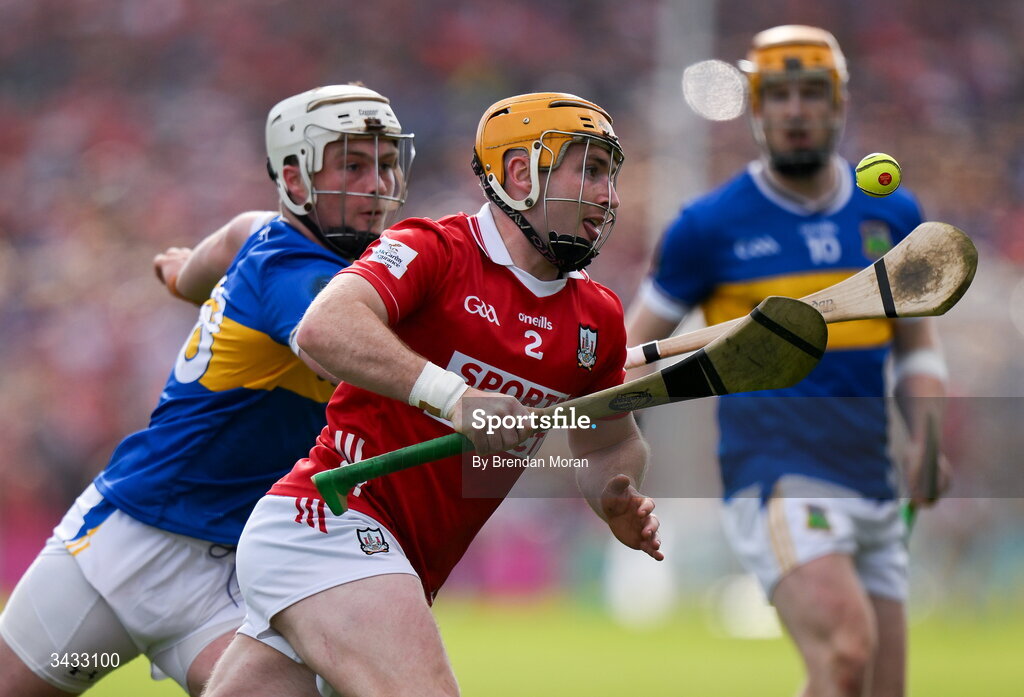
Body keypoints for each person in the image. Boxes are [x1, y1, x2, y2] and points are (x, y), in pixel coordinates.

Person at [201, 92, 664, 697]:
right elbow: (323, 326)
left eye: (611, 176)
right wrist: (456, 398)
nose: (609, 196)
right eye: (591, 171)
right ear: (521, 174)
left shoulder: (596, 316)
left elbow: (608, 442)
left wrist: (616, 495)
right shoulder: (435, 249)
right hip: (332, 518)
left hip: (401, 563)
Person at [0, 83, 415, 697]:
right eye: (353, 165)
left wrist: (182, 277)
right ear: (296, 180)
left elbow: (230, 237)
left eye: (385, 164)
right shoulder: (303, 281)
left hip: (225, 582)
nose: (378, 186)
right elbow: (335, 343)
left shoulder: (262, 235)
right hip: (121, 549)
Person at [627, 25, 949, 697]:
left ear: (838, 104)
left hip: (872, 477)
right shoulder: (708, 226)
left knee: (874, 687)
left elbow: (917, 345)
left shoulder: (890, 214)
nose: (795, 110)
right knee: (845, 652)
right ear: (756, 109)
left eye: (811, 93)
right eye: (778, 95)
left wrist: (926, 433)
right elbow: (635, 353)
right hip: (776, 474)